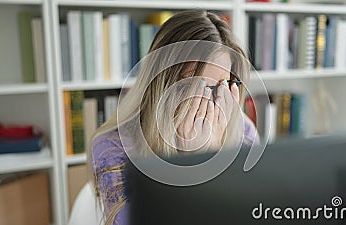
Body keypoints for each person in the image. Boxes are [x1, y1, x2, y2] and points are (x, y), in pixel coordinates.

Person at [89, 10, 260, 225]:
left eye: (219, 86)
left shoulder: (245, 133)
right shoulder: (111, 148)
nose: (207, 102)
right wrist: (195, 164)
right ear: (161, 84)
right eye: (193, 86)